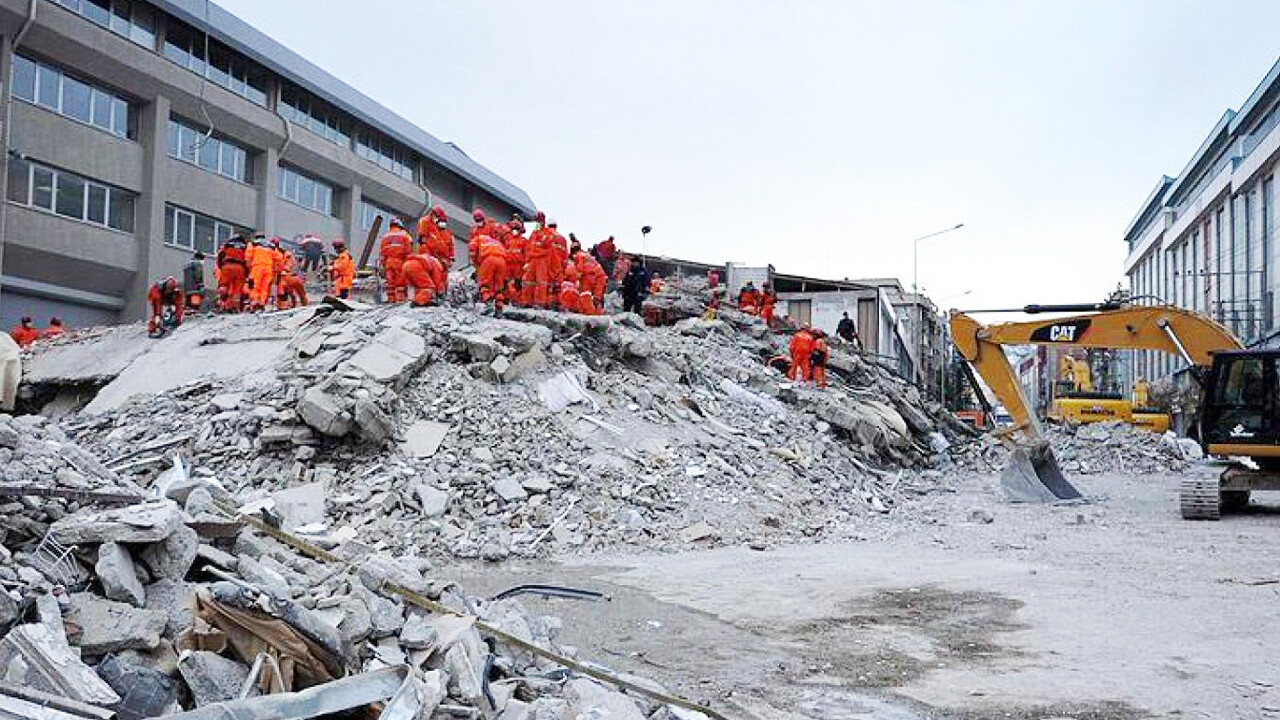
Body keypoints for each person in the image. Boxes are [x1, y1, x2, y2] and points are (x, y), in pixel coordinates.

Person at [378, 218, 414, 303]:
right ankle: (399, 304)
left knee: (390, 286)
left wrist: (383, 266)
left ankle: (391, 303)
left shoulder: (385, 236)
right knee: (400, 286)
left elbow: (382, 253)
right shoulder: (404, 235)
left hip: (388, 263)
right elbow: (408, 252)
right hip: (400, 262)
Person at [216, 235, 248, 312]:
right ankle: (234, 307)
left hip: (227, 265)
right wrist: (247, 272)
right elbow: (248, 259)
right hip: (240, 268)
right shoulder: (245, 246)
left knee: (224, 285)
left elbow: (220, 255)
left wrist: (221, 266)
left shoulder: (227, 244)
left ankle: (221, 303)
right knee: (237, 289)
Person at [476, 233, 508, 311]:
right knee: (499, 286)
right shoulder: (497, 242)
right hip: (502, 261)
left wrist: (477, 268)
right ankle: (499, 306)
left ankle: (488, 302)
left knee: (484, 282)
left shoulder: (477, 240)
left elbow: (473, 254)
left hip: (489, 259)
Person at [246, 237, 278, 311]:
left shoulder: (253, 244)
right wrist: (275, 269)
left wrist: (249, 267)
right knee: (265, 287)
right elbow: (278, 259)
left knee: (254, 286)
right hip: (268, 268)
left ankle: (254, 303)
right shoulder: (271, 246)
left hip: (257, 267)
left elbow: (248, 256)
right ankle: (262, 303)